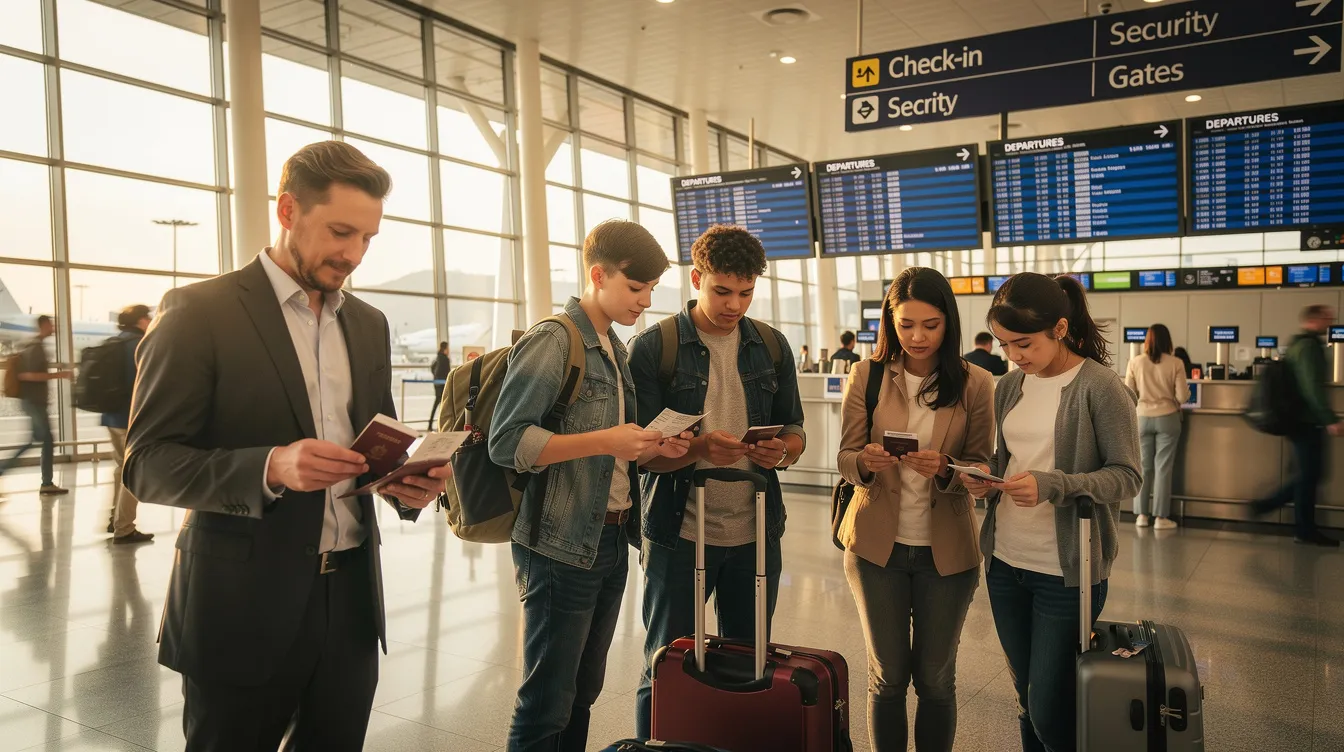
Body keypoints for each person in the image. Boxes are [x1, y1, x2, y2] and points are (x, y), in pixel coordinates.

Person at [123, 141, 451, 752]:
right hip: (241, 606)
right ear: (287, 210)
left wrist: (404, 484)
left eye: (367, 238)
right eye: (340, 232)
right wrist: (270, 466)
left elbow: (370, 449)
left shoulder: (368, 323)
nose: (353, 254)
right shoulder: (199, 312)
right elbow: (147, 464)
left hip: (350, 603)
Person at [489, 219, 690, 752]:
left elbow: (611, 449)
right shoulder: (554, 339)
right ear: (598, 275)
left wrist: (650, 447)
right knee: (547, 701)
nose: (646, 301)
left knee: (582, 693)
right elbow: (508, 442)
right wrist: (607, 441)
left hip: (609, 537)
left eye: (652, 289)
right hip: (559, 544)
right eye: (636, 287)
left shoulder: (614, 347)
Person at [628, 224, 806, 738]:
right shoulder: (655, 348)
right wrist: (700, 450)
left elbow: (795, 430)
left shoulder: (769, 345)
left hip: (754, 531)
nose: (734, 305)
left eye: (746, 293)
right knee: (666, 663)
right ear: (696, 279)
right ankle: (655, 746)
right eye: (722, 291)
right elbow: (642, 456)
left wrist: (781, 451)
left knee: (748, 667)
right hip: (678, 531)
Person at [961, 272, 1140, 752]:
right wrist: (985, 474)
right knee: (1027, 697)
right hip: (1005, 562)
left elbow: (1127, 476)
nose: (1014, 355)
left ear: (1060, 328)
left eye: (1024, 343)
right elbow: (1009, 460)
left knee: (1049, 708)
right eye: (1004, 345)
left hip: (1067, 571)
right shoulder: (1009, 386)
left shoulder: (1101, 386)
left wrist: (1053, 485)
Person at [835, 269, 993, 752]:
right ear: (890, 322)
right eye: (906, 325)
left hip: (946, 553)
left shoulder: (976, 382)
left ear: (949, 323)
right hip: (875, 547)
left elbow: (983, 468)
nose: (918, 336)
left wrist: (947, 468)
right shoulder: (867, 375)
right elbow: (845, 458)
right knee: (887, 678)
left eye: (930, 325)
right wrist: (865, 461)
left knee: (936, 679)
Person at [1252, 304, 1342, 547]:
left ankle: (1277, 512)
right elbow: (1311, 387)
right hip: (1306, 421)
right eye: (1326, 317)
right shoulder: (1308, 347)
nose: (1330, 321)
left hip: (1300, 420)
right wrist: (1329, 418)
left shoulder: (1298, 344)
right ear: (1313, 319)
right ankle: (1296, 524)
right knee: (1309, 475)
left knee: (1309, 475)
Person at [1124, 323, 1187, 531]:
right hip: (1168, 418)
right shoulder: (1176, 363)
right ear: (1168, 340)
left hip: (1142, 418)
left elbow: (1129, 394)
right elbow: (1182, 396)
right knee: (1163, 468)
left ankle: (1141, 516)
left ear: (1147, 340)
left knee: (1143, 467)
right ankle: (1161, 518)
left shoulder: (1135, 362)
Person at [0, 314, 72, 495]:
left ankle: (45, 482)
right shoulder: (36, 348)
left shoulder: (32, 345)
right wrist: (59, 375)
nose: (53, 328)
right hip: (34, 402)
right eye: (51, 325)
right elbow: (27, 375)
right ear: (44, 325)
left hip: (33, 402)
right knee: (46, 440)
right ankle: (45, 483)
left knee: (38, 440)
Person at [105, 304, 154, 544]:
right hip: (130, 418)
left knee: (120, 468)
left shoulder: (113, 342)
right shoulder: (140, 344)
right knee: (132, 471)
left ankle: (115, 517)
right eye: (148, 317)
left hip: (111, 416)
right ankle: (124, 528)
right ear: (140, 320)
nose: (150, 321)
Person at [427, 340, 450, 429]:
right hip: (442, 384)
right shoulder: (445, 359)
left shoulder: (437, 358)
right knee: (443, 405)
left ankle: (431, 424)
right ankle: (443, 426)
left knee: (437, 403)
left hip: (437, 384)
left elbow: (433, 369)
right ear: (445, 349)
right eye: (448, 348)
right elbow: (447, 372)